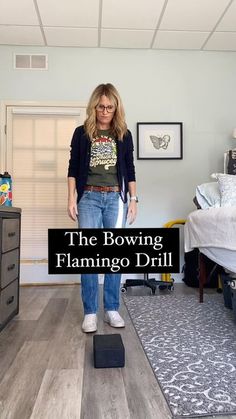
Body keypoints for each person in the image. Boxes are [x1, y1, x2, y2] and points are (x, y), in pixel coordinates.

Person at [67, 83, 137, 333]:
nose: (105, 111)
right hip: (89, 198)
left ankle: (111, 309)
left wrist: (133, 200)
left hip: (115, 200)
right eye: (101, 106)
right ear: (94, 106)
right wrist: (71, 198)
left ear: (116, 107)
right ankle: (90, 313)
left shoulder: (124, 134)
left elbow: (130, 169)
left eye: (110, 107)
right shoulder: (82, 133)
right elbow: (73, 168)